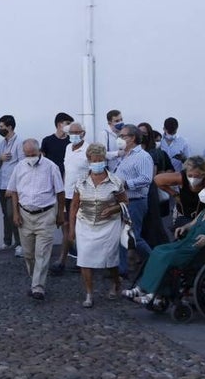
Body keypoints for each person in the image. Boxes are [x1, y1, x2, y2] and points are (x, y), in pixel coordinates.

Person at [123, 178, 205, 307]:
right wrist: (184, 227)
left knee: (165, 256)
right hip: (186, 245)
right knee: (157, 250)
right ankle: (144, 288)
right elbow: (193, 224)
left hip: (197, 251)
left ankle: (151, 293)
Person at [69, 143, 127, 307]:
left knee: (110, 259)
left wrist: (113, 208)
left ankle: (116, 282)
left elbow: (125, 202)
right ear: (89, 160)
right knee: (85, 258)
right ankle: (89, 293)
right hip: (85, 224)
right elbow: (74, 205)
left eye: (100, 160)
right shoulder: (81, 181)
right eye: (94, 160)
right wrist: (71, 230)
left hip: (109, 225)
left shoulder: (115, 181)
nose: (97, 163)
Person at [7, 139, 65, 300]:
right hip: (25, 214)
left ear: (39, 151)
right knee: (28, 253)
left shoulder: (51, 167)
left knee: (42, 252)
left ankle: (38, 287)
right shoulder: (19, 167)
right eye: (28, 155)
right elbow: (13, 191)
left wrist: (60, 214)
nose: (31, 157)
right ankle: (35, 278)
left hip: (46, 214)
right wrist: (16, 214)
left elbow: (60, 192)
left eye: (33, 154)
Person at [114, 124, 155, 277]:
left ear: (132, 138)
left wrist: (125, 184)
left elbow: (146, 179)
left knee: (133, 236)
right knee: (122, 235)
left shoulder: (142, 156)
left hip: (135, 201)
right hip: (124, 202)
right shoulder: (126, 154)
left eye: (123, 136)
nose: (120, 139)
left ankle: (155, 261)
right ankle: (121, 269)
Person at [52, 120, 89, 273]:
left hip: (82, 195)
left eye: (76, 132)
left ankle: (83, 261)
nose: (73, 136)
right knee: (66, 226)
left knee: (81, 229)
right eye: (71, 133)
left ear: (83, 133)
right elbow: (67, 170)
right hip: (67, 194)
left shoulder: (88, 149)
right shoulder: (68, 147)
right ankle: (62, 259)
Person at [0, 115, 25, 255]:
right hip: (2, 183)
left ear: (10, 127)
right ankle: (7, 242)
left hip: (14, 186)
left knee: (14, 214)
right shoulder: (2, 143)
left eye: (1, 126)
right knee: (6, 214)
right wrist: (0, 158)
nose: (0, 129)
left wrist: (15, 186)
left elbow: (23, 165)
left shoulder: (19, 142)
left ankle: (20, 244)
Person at [155, 156, 205, 224]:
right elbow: (157, 180)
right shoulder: (181, 177)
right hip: (184, 216)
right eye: (190, 176)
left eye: (197, 176)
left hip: (204, 215)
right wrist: (174, 194)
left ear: (204, 174)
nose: (193, 179)